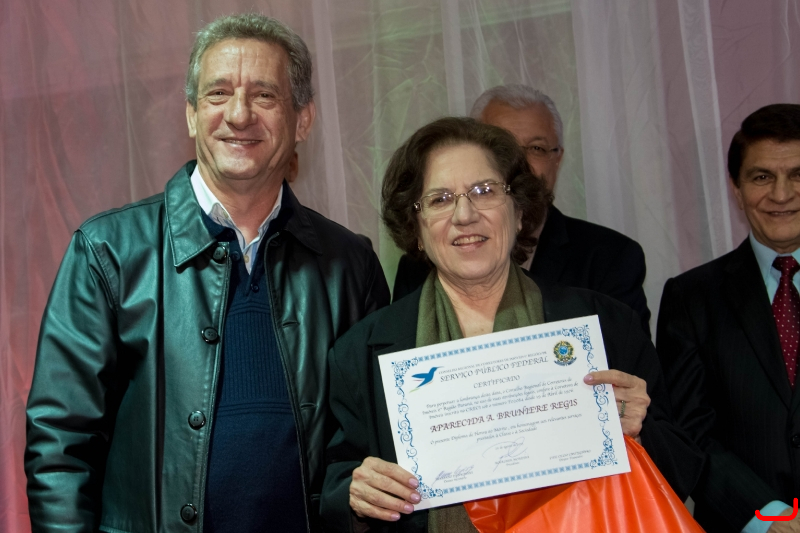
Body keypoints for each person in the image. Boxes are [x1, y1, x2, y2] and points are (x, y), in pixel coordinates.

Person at [24, 13, 389, 533]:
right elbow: (60, 449)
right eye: (218, 94)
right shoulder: (107, 253)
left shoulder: (350, 265)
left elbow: (370, 444)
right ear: (192, 115)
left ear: (303, 119)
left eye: (264, 95)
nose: (239, 115)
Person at [320, 117, 702, 532]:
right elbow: (336, 485)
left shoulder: (606, 327)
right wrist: (357, 494)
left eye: (485, 191)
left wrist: (638, 435)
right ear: (416, 230)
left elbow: (683, 468)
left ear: (519, 212)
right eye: (440, 199)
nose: (465, 215)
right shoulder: (361, 352)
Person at [392, 85, 651, 336]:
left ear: (557, 158)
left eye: (536, 148)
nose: (519, 163)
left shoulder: (612, 259)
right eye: (501, 146)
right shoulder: (418, 268)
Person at [657, 104, 800, 533]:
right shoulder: (690, 298)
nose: (781, 195)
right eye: (762, 177)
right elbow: (688, 429)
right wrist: (767, 517)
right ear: (736, 189)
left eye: (798, 175)